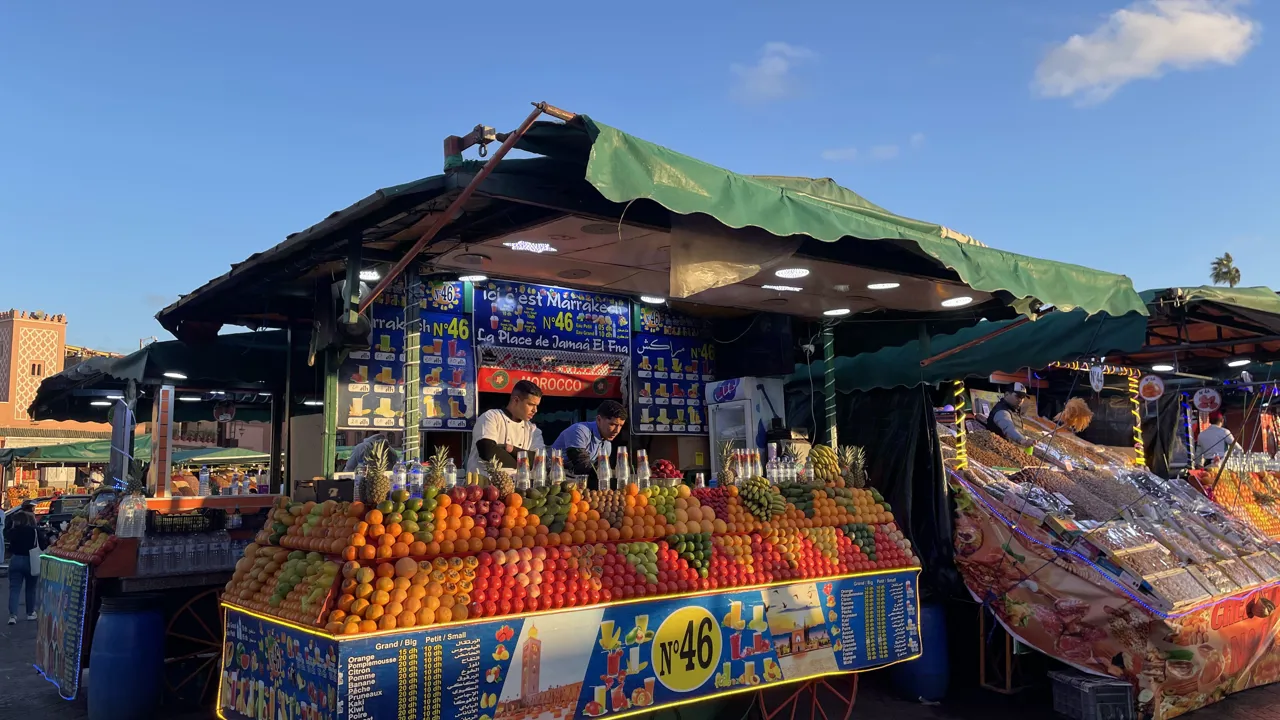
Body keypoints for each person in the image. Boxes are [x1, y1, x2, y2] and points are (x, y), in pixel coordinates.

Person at [467, 380, 545, 473]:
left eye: (537, 406)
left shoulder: (532, 430)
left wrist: (511, 449)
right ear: (516, 400)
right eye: (531, 404)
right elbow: (487, 452)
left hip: (517, 485)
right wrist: (523, 462)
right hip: (482, 483)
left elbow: (539, 461)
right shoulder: (491, 417)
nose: (535, 410)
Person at [551, 401, 628, 489]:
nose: (617, 431)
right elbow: (582, 465)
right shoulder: (579, 431)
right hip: (555, 481)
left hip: (578, 483)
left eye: (621, 426)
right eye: (612, 424)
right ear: (599, 420)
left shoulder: (607, 445)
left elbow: (599, 471)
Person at [6, 510, 41, 624]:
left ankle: (13, 616)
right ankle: (30, 613)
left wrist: (11, 525)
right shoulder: (34, 531)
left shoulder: (13, 532)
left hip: (16, 559)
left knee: (14, 589)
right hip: (31, 560)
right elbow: (42, 542)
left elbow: (7, 536)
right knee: (31, 588)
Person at [985, 382, 1036, 448]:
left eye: (1023, 397)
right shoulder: (1001, 411)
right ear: (1006, 394)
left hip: (1011, 448)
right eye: (1018, 396)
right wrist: (1023, 441)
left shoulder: (1014, 409)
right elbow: (1008, 428)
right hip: (997, 449)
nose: (1021, 400)